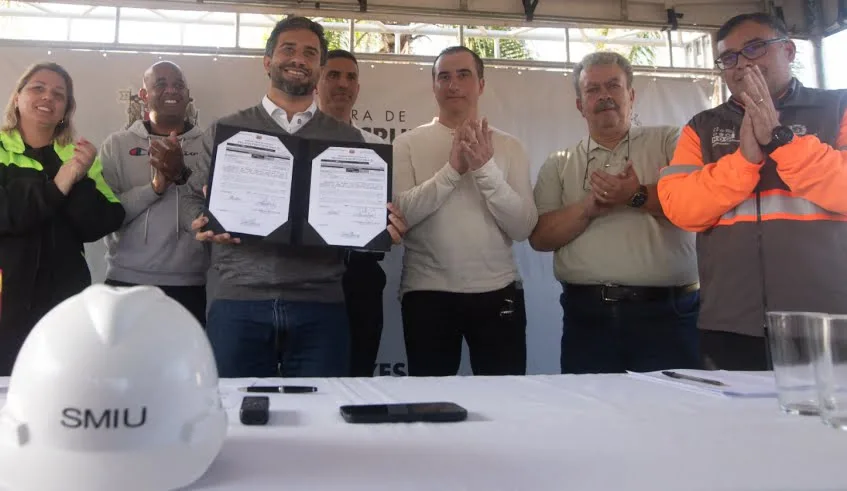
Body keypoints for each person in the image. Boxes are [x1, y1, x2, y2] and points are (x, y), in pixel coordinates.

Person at [180, 16, 406, 378]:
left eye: (310, 53)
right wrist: (201, 222)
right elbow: (192, 199)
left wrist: (379, 226)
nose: (299, 59)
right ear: (267, 61)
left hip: (321, 305)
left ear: (319, 68)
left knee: (321, 412)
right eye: (289, 49)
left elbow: (359, 215)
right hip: (238, 300)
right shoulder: (226, 129)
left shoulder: (348, 139)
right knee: (235, 410)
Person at [658, 12, 847, 370]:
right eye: (729, 57)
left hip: (829, 319)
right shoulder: (702, 126)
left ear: (788, 51)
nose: (742, 63)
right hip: (729, 323)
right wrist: (744, 162)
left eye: (755, 48)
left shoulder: (837, 107)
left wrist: (781, 140)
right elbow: (681, 209)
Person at [530, 52, 700, 374]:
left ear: (631, 95)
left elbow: (694, 204)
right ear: (580, 105)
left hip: (668, 316)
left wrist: (634, 195)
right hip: (587, 318)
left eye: (613, 86)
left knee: (674, 405)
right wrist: (587, 209)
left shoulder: (669, 140)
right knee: (590, 408)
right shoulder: (559, 162)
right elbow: (539, 238)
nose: (604, 95)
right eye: (592, 89)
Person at [392, 46, 538, 377]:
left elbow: (523, 227)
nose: (453, 84)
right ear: (434, 86)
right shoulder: (407, 144)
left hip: (498, 292)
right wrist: (452, 170)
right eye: (444, 76)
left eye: (463, 75)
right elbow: (402, 214)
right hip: (427, 293)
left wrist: (485, 169)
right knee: (430, 399)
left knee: (504, 399)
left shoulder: (510, 146)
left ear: (481, 84)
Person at [0, 62, 125, 375]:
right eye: (38, 88)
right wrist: (59, 184)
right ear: (17, 97)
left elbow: (104, 221)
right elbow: (7, 213)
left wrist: (77, 177)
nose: (48, 97)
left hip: (64, 302)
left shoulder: (79, 156)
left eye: (59, 94)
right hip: (5, 301)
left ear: (65, 110)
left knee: (63, 384)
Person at [100, 61, 208, 325]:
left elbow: (215, 211)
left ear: (188, 95)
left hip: (191, 284)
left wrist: (181, 175)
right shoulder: (116, 144)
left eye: (178, 85)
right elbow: (107, 216)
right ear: (144, 95)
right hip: (126, 281)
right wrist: (156, 187)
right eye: (161, 84)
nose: (171, 90)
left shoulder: (209, 144)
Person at [316, 49, 388, 377]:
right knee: (309, 376)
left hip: (361, 275)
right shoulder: (291, 141)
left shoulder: (377, 148)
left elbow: (389, 211)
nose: (343, 84)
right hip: (305, 273)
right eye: (333, 75)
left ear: (358, 88)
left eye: (351, 77)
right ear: (317, 82)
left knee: (359, 374)